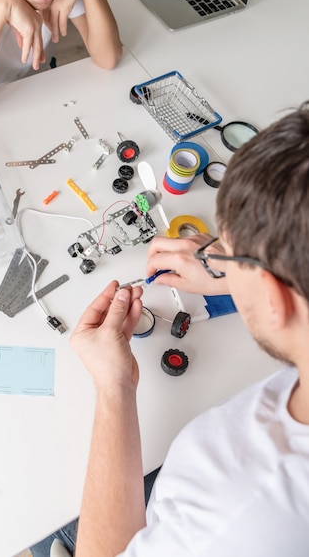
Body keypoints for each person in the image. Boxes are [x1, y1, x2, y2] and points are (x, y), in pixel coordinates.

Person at [31, 102, 309, 556]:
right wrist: (239, 273)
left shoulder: (239, 507)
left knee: (45, 530)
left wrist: (114, 385)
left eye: (229, 255)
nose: (213, 258)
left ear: (275, 298)